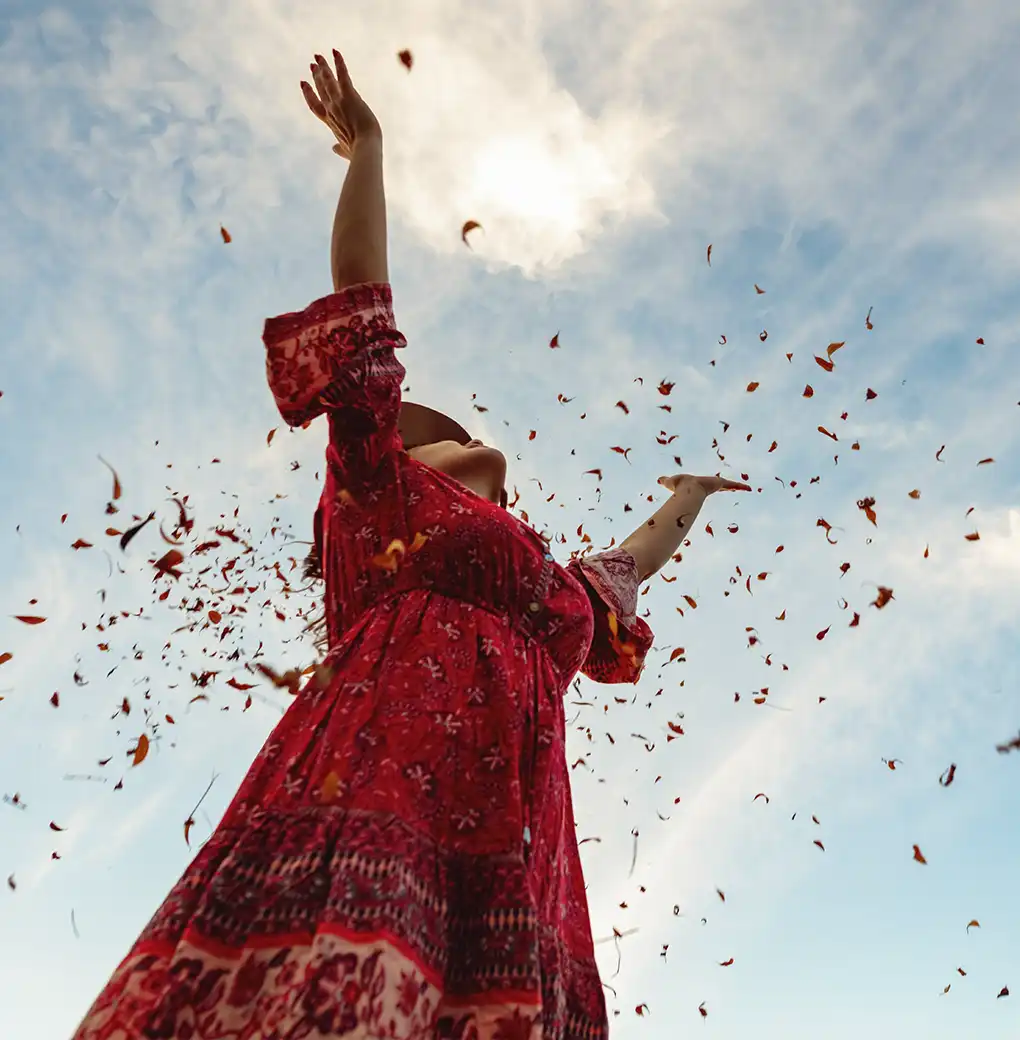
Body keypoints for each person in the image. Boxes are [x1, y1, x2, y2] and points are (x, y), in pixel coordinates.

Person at [73, 49, 750, 1040]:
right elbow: (364, 300)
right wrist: (368, 150)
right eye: (441, 424)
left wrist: (689, 494)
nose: (466, 430)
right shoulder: (382, 491)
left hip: (516, 837)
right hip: (383, 774)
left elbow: (630, 564)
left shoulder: (550, 595)